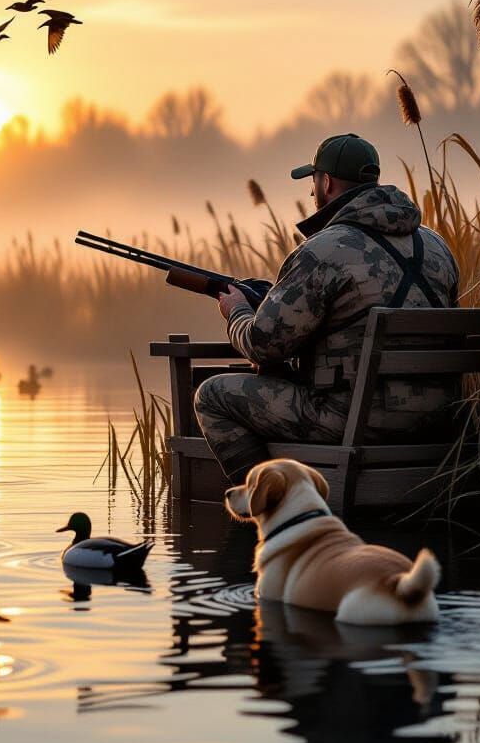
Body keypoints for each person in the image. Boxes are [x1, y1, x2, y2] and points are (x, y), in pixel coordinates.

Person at [194, 133, 460, 486]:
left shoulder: (324, 249)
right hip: (441, 421)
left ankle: (275, 512)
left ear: (327, 183)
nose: (311, 192)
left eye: (313, 181)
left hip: (354, 421)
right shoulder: (437, 246)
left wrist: (238, 311)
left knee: (212, 396)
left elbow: (263, 344)